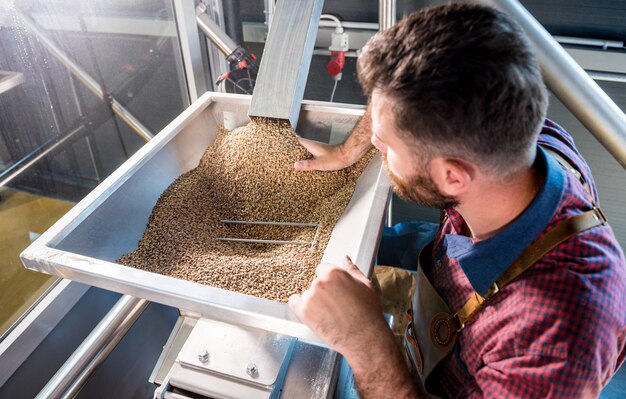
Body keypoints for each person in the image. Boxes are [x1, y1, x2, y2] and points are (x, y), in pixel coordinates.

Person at [288, 3, 626, 398]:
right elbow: (404, 94)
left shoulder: (553, 341)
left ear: (452, 176)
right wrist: (347, 151)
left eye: (387, 145)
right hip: (445, 277)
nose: (376, 147)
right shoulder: (512, 136)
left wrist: (368, 346)